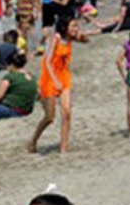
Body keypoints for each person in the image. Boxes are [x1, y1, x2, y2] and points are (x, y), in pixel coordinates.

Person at [28, 17, 88, 154]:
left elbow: (86, 40)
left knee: (67, 112)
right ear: (65, 26)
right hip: (50, 78)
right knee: (50, 117)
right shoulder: (56, 38)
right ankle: (33, 141)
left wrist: (82, 36)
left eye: (76, 26)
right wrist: (55, 80)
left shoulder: (71, 38)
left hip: (65, 76)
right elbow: (48, 61)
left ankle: (64, 147)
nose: (75, 29)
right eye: (73, 26)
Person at [0, 51, 37, 121]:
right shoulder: (32, 77)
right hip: (26, 111)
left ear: (11, 65)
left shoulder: (10, 77)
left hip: (11, 110)